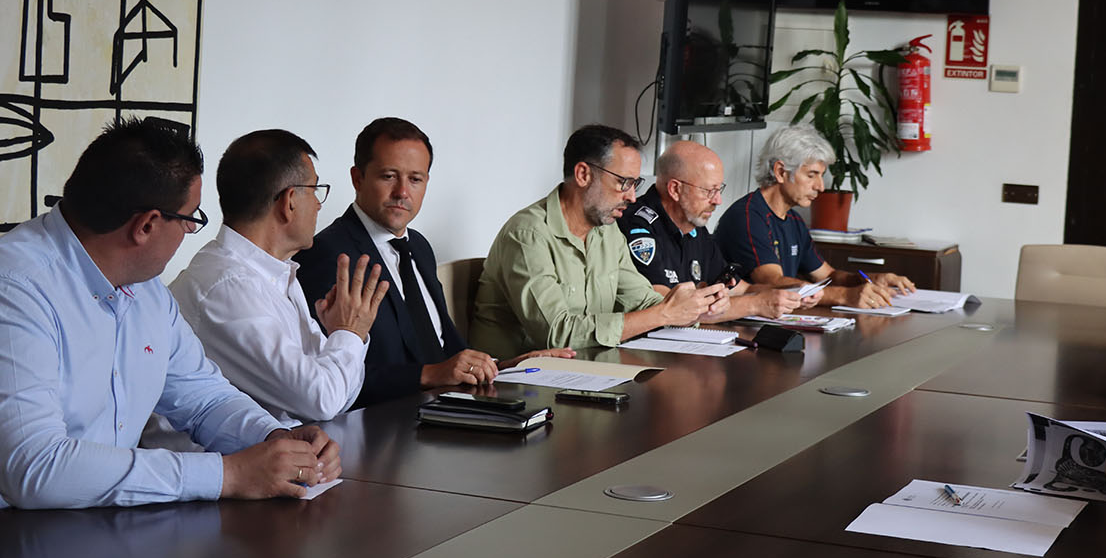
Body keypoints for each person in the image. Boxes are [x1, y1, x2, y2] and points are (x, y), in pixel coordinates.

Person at [0, 118, 340, 508]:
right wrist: (227, 475)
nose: (191, 232)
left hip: (105, 527)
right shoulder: (16, 287)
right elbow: (33, 466)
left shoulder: (145, 290)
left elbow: (203, 396)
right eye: (191, 218)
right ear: (147, 225)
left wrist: (274, 440)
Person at [295, 118, 568, 409]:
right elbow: (327, 376)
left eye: (415, 179)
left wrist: (505, 366)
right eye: (389, 176)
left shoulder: (419, 247)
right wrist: (430, 374)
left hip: (442, 412)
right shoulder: (328, 254)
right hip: (382, 426)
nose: (402, 192)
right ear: (357, 178)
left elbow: (448, 350)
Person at [170, 130, 388, 425]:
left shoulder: (277, 273)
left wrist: (344, 333)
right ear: (289, 201)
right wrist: (348, 332)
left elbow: (339, 396)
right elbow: (321, 400)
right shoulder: (228, 287)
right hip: (225, 466)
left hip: (286, 458)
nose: (319, 205)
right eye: (314, 190)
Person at [470, 124, 728, 357]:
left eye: (635, 184)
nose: (632, 197)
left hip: (584, 372)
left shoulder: (607, 232)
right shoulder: (528, 234)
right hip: (514, 385)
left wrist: (695, 307)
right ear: (583, 174)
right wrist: (664, 313)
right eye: (623, 182)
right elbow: (558, 335)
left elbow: (643, 300)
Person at [715, 125, 914, 309]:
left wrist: (868, 279)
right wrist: (845, 296)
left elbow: (828, 275)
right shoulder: (748, 217)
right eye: (812, 175)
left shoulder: (793, 220)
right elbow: (771, 282)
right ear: (781, 172)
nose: (820, 186)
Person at [617, 139, 813, 320]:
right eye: (709, 191)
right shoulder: (637, 225)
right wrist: (756, 305)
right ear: (675, 189)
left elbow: (740, 289)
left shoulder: (694, 225)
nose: (717, 200)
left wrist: (789, 291)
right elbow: (668, 306)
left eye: (719, 190)